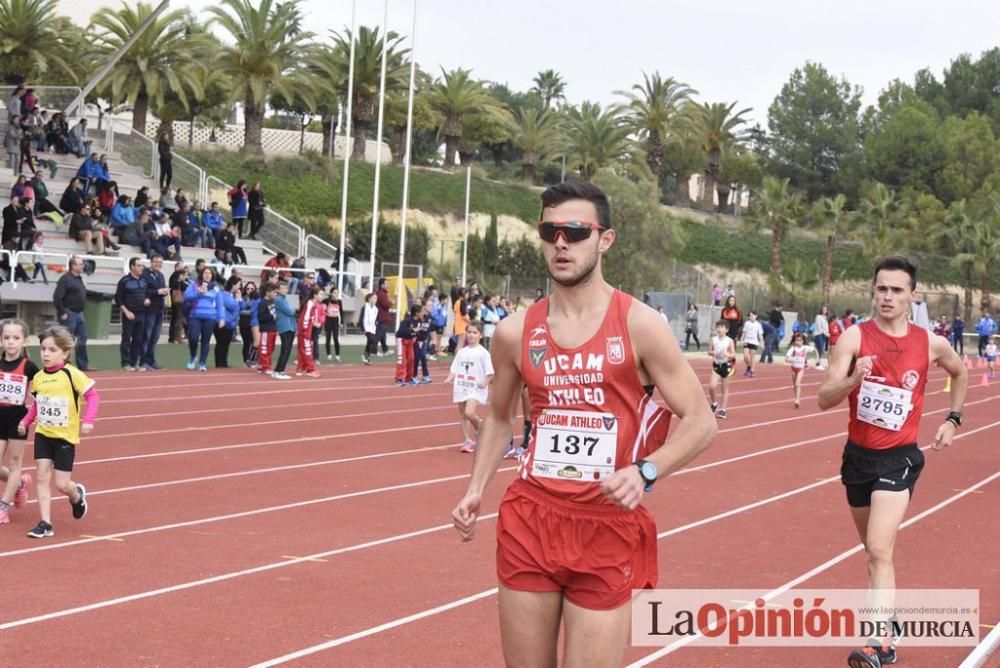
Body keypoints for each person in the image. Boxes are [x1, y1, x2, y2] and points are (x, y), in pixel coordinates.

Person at [450, 181, 716, 667]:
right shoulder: (514, 332)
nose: (561, 243)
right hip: (531, 517)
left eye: (575, 231)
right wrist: (475, 488)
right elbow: (500, 416)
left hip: (606, 525)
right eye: (550, 231)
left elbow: (701, 421)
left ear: (605, 239)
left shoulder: (640, 324)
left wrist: (647, 472)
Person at [817, 256, 967, 668]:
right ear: (873, 291)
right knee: (872, 551)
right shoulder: (852, 339)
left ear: (911, 296)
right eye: (882, 288)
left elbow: (960, 371)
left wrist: (953, 419)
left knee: (880, 550)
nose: (887, 296)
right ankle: (889, 619)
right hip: (858, 459)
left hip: (899, 458)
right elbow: (823, 398)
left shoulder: (929, 343)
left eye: (897, 290)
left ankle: (879, 642)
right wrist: (853, 379)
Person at [18, 326, 100, 539]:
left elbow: (93, 396)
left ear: (64, 353)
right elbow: (37, 405)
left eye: (52, 350)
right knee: (42, 476)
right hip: (43, 434)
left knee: (62, 484)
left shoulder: (71, 374)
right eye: (43, 349)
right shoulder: (38, 378)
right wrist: (27, 421)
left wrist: (88, 420)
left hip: (64, 437)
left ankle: (76, 495)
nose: (45, 354)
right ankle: (45, 523)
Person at [0, 319, 39, 526]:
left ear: (24, 341)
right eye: (6, 338)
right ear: (1, 340)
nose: (11, 342)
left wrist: (34, 406)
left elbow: (43, 390)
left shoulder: (30, 367)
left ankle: (3, 507)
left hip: (17, 420)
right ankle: (20, 483)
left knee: (15, 463)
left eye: (16, 338)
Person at [445, 320, 492, 451]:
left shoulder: (483, 353)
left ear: (480, 335)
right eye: (469, 332)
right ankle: (467, 440)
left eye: (474, 333)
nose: (471, 335)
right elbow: (454, 368)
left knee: (469, 412)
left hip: (475, 388)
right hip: (461, 385)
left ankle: (480, 431)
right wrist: (449, 378)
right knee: (462, 414)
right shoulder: (461, 352)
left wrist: (485, 382)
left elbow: (491, 373)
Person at [183, 266, 225, 372]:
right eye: (205, 273)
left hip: (210, 317)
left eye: (209, 273)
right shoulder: (194, 285)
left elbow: (220, 305)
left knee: (205, 341)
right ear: (201, 274)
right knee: (193, 337)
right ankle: (193, 356)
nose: (207, 275)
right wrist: (198, 293)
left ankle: (202, 363)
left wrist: (222, 318)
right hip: (195, 315)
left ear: (212, 276)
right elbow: (186, 297)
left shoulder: (216, 288)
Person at [52, 257, 90, 371]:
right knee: (66, 340)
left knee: (82, 339)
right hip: (69, 313)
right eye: (80, 264)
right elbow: (57, 297)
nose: (83, 266)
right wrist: (62, 312)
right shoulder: (65, 279)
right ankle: (64, 365)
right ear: (73, 266)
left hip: (79, 313)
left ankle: (83, 365)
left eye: (82, 264)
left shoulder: (79, 279)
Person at [115, 257, 150, 372]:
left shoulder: (144, 281)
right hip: (129, 314)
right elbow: (118, 299)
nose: (141, 268)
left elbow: (147, 294)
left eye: (142, 265)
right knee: (126, 339)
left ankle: (134, 363)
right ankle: (125, 363)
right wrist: (126, 312)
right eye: (139, 265)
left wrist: (147, 300)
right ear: (132, 267)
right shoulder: (124, 281)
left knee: (138, 340)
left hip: (142, 314)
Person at [140, 255, 169, 370]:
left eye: (160, 262)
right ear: (151, 262)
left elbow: (161, 290)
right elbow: (143, 290)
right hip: (149, 310)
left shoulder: (160, 275)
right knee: (146, 336)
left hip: (159, 309)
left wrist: (165, 292)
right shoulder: (145, 274)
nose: (158, 264)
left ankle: (151, 361)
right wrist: (157, 291)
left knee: (155, 337)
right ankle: (143, 361)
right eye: (156, 262)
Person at [708, 319, 736, 419]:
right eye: (718, 327)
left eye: (722, 327)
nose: (719, 329)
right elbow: (709, 352)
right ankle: (715, 403)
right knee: (712, 386)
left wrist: (727, 354)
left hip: (726, 366)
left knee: (724, 388)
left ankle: (723, 410)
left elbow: (733, 354)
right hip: (716, 365)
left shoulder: (729, 341)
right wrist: (713, 353)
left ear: (726, 330)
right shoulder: (713, 339)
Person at [784, 331, 818, 408]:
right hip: (793, 368)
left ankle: (797, 400)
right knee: (795, 385)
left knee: (797, 384)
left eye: (800, 340)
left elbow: (815, 350)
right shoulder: (793, 349)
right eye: (796, 340)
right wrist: (790, 360)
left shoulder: (805, 348)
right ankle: (796, 398)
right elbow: (786, 358)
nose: (798, 342)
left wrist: (817, 359)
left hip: (800, 369)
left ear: (803, 341)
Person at [215, 277, 242, 369]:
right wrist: (237, 301)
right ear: (233, 285)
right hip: (223, 322)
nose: (239, 287)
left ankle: (224, 362)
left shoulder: (232, 295)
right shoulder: (224, 294)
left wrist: (239, 300)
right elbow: (231, 305)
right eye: (238, 285)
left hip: (230, 323)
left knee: (226, 344)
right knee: (221, 343)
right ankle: (219, 363)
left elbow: (242, 306)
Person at [294, 285, 320, 378]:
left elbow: (310, 317)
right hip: (304, 330)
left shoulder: (312, 304)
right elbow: (305, 317)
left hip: (305, 329)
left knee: (302, 350)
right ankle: (310, 369)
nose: (322, 296)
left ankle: (300, 368)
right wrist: (305, 330)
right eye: (320, 294)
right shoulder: (310, 303)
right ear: (315, 295)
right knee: (307, 350)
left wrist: (314, 323)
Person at [272, 281, 296, 380]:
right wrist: (292, 310)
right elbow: (290, 311)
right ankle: (278, 370)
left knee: (287, 349)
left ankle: (281, 370)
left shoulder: (284, 299)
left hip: (290, 326)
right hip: (284, 326)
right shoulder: (279, 300)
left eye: (286, 288)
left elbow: (291, 311)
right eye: (282, 288)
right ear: (278, 290)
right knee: (285, 349)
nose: (285, 290)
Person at [394, 305, 419, 387]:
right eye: (421, 312)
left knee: (411, 359)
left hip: (410, 341)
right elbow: (401, 332)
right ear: (416, 313)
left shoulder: (418, 321)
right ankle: (399, 379)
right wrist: (412, 331)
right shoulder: (407, 321)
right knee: (402, 360)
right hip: (402, 340)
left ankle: (409, 378)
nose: (423, 313)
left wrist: (415, 335)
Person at [257, 283, 279, 376]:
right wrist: (272, 317)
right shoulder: (262, 303)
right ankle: (265, 366)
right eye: (274, 292)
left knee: (271, 348)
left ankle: (266, 364)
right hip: (266, 329)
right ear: (267, 292)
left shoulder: (274, 302)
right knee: (265, 348)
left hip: (273, 329)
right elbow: (261, 317)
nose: (275, 294)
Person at [740, 310, 763, 377]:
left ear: (756, 316)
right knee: (745, 356)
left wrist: (762, 342)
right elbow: (744, 332)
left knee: (752, 357)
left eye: (752, 315)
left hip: (754, 342)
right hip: (747, 341)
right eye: (750, 315)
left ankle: (752, 370)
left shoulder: (758, 325)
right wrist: (742, 339)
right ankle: (749, 366)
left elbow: (760, 335)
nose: (751, 317)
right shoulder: (747, 323)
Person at [323, 287, 342, 362]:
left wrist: (342, 322)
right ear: (331, 293)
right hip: (328, 320)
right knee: (328, 338)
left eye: (337, 292)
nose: (336, 294)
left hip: (335, 321)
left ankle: (337, 355)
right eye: (334, 292)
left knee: (336, 338)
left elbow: (341, 312)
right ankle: (329, 354)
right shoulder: (327, 301)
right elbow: (321, 303)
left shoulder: (339, 301)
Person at [375, 277, 392, 355]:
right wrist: (391, 303)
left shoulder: (382, 293)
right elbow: (385, 305)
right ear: (382, 285)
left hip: (382, 316)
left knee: (383, 335)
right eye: (386, 284)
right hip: (382, 317)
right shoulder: (381, 293)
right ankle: (373, 350)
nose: (388, 285)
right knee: (379, 335)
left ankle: (385, 350)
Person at [361, 292, 378, 365]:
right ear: (369, 299)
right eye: (374, 298)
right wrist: (363, 328)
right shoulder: (365, 307)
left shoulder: (376, 309)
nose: (375, 300)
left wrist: (375, 325)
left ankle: (365, 356)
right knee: (371, 339)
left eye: (376, 298)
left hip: (372, 328)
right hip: (366, 328)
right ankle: (367, 354)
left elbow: (375, 319)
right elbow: (361, 318)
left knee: (370, 341)